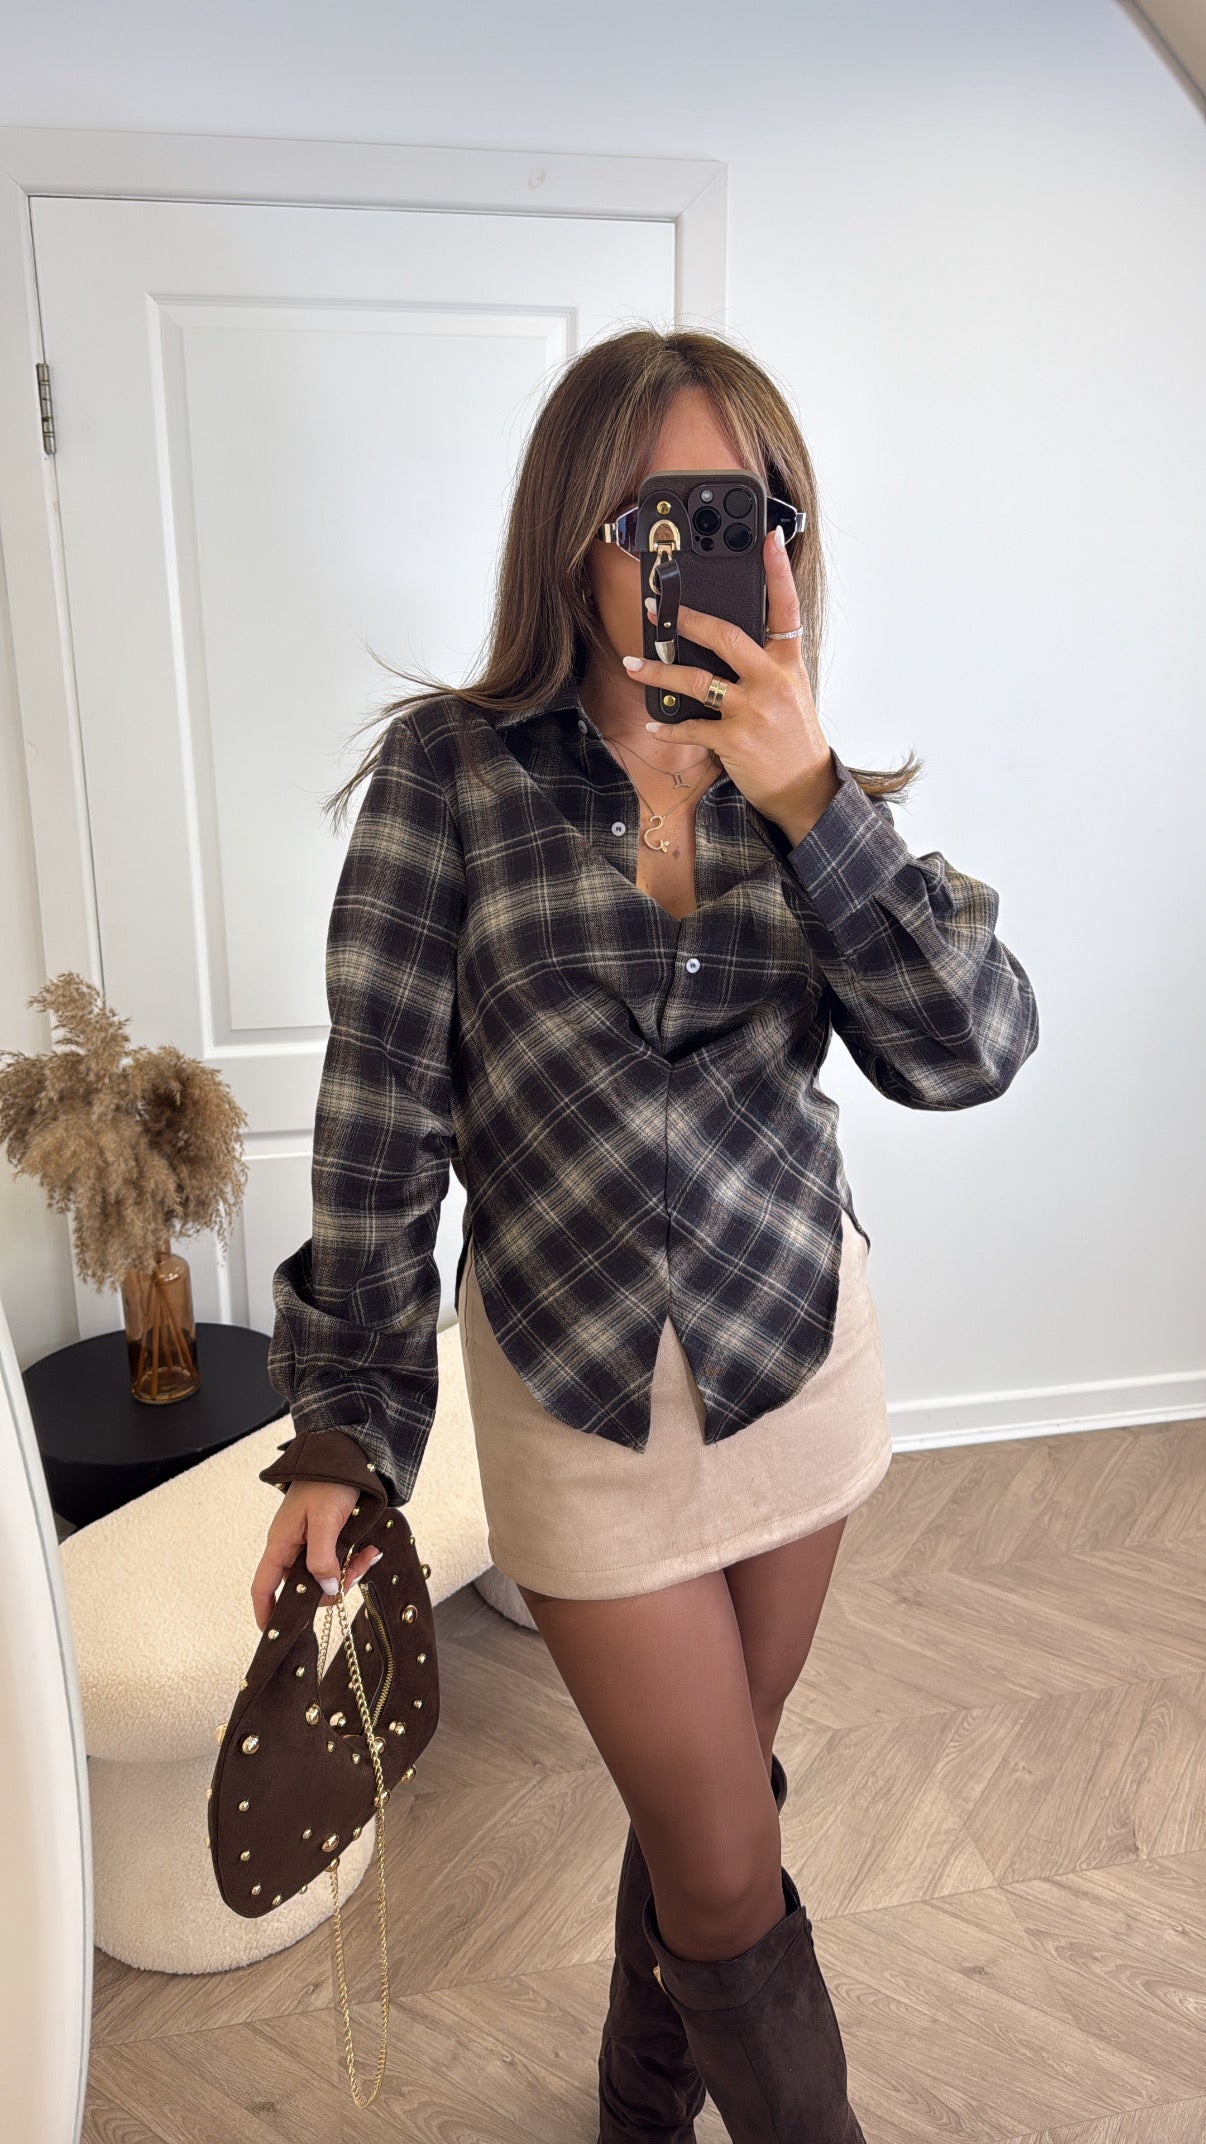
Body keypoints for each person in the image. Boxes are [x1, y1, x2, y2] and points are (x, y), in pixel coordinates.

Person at [252, 326, 1040, 2142]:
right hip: (576, 1399)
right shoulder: (450, 779)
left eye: (751, 514)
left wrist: (812, 801)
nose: (711, 550)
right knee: (723, 1853)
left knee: (714, 1813)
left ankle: (636, 2106)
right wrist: (345, 1433)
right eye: (660, 515)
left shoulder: (815, 796)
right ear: (577, 541)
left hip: (792, 1358)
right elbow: (380, 1115)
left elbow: (967, 1053)